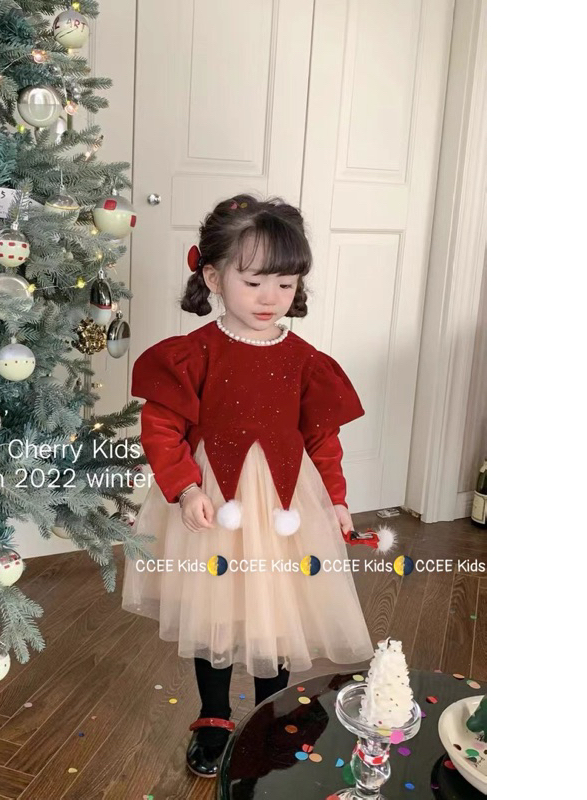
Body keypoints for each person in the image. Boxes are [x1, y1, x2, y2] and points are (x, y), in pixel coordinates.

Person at [121, 194, 374, 779]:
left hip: (285, 505)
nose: (269, 298)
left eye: (285, 284)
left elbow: (322, 439)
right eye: (254, 281)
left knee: (275, 610)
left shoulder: (306, 360)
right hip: (215, 503)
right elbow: (162, 428)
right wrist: (186, 489)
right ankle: (213, 717)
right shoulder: (193, 355)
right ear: (213, 277)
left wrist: (336, 500)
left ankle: (272, 713)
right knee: (213, 609)